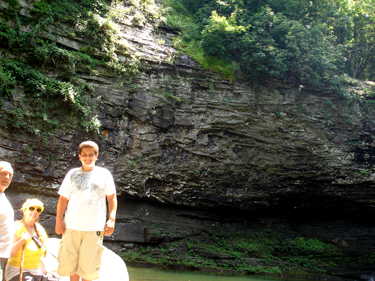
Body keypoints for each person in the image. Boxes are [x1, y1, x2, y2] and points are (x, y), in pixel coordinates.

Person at [55, 140, 117, 281]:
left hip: (94, 227)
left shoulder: (104, 174)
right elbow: (63, 199)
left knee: (88, 270)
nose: (87, 158)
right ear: (79, 156)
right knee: (71, 266)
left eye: (91, 155)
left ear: (96, 156)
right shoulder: (72, 174)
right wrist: (59, 220)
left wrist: (111, 219)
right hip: (71, 225)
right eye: (84, 155)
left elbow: (112, 198)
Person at [5, 198, 50, 281]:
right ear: (24, 211)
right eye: (31, 208)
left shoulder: (39, 229)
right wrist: (22, 241)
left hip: (36, 272)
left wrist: (46, 273)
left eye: (38, 210)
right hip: (18, 271)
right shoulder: (17, 228)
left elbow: (39, 256)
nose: (35, 211)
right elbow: (8, 253)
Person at [0, 161, 14, 281]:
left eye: (10, 175)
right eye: (3, 173)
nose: (7, 177)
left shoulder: (3, 197)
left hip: (4, 255)